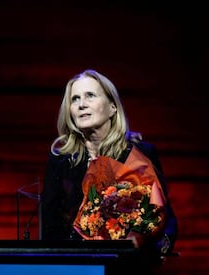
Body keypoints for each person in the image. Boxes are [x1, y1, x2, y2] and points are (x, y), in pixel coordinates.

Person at [40, 69, 178, 268]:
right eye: (75, 99)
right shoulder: (61, 161)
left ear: (112, 107)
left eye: (90, 96)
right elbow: (51, 226)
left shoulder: (140, 153)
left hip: (129, 265)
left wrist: (150, 245)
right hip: (76, 267)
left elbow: (163, 215)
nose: (81, 104)